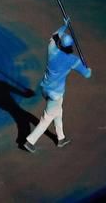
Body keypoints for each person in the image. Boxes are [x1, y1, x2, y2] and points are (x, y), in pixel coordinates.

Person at [20, 18, 92, 153]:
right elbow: (87, 75)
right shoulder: (73, 60)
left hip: (45, 88)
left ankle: (61, 138)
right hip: (56, 94)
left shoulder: (52, 49)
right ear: (70, 47)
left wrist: (64, 26)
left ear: (60, 44)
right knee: (47, 118)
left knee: (58, 112)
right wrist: (88, 69)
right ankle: (30, 141)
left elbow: (54, 35)